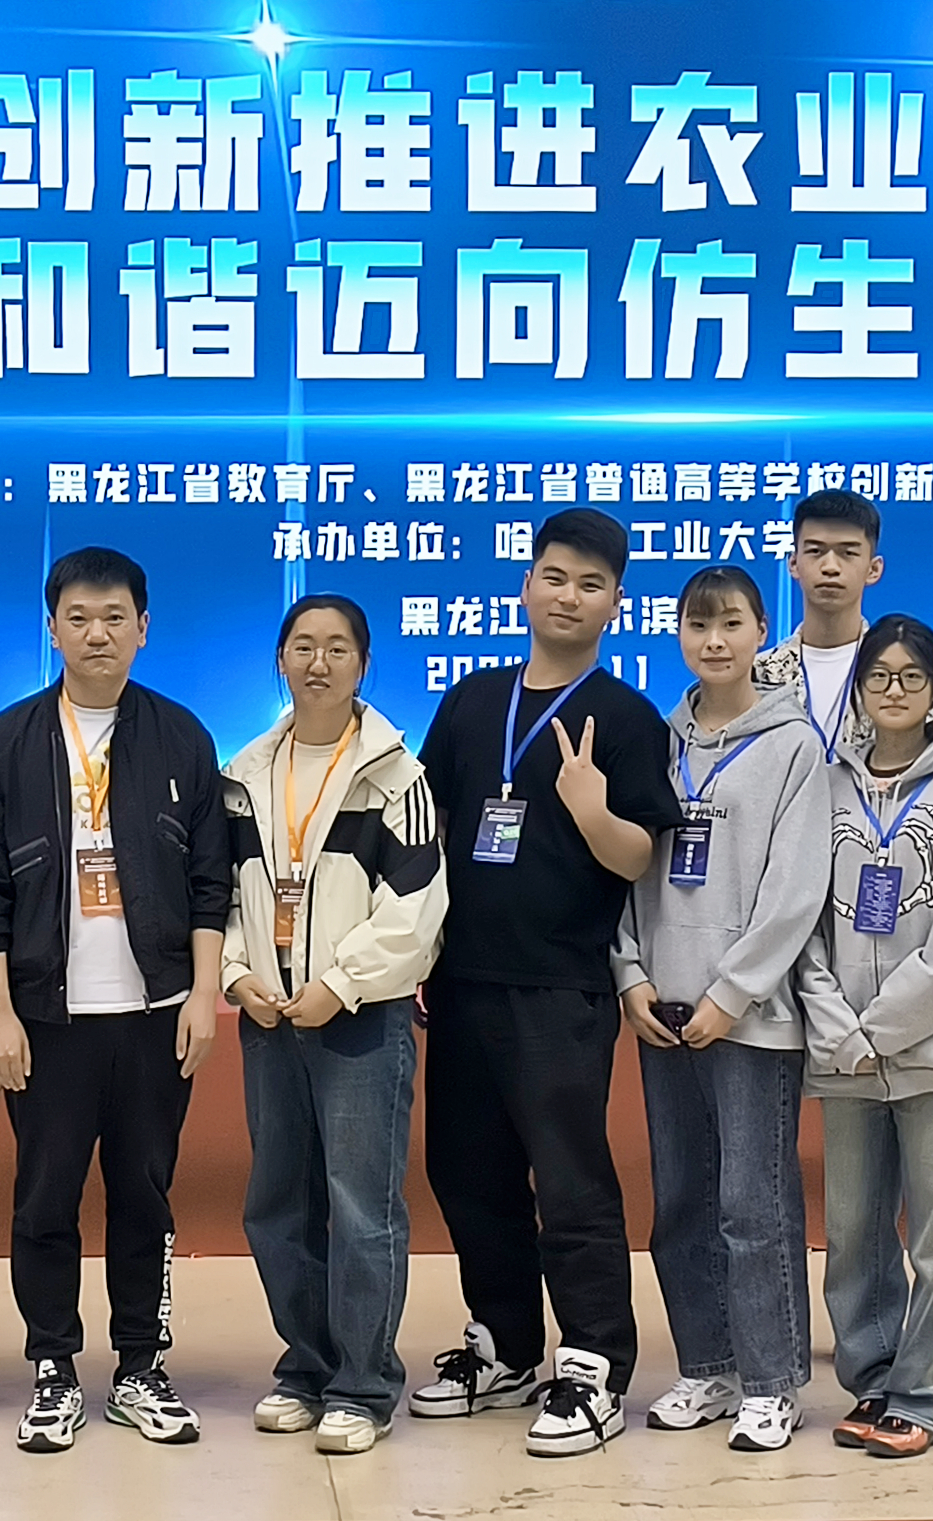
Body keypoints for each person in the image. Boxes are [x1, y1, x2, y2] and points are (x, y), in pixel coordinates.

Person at [408, 508, 682, 1457]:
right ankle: (508, 1345)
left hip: (562, 987)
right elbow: (430, 832)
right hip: (462, 981)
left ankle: (595, 1362)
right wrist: (415, 957)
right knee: (466, 1172)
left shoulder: (628, 718)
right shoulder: (471, 702)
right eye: (555, 577)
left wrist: (591, 810)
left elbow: (641, 856)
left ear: (616, 603)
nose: (569, 596)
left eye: (591, 584)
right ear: (526, 585)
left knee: (570, 1181)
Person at [0, 546, 232, 1453]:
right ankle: (53, 1368)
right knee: (45, 1198)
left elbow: (210, 881)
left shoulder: (182, 737)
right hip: (46, 1017)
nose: (97, 633)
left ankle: (141, 1367)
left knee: (144, 1196)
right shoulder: (4, 744)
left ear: (144, 628)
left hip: (155, 1015)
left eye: (115, 617)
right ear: (52, 629)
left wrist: (202, 996)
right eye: (78, 617)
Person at [219, 595, 448, 1457]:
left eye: (338, 648)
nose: (319, 663)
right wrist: (237, 976)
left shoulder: (397, 777)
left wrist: (340, 985)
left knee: (361, 1208)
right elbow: (221, 895)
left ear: (363, 664)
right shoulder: (243, 775)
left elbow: (417, 911)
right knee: (277, 1203)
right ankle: (305, 1369)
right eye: (304, 646)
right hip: (268, 1018)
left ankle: (363, 1384)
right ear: (281, 659)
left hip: (359, 1021)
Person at [611, 566, 827, 1452]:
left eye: (731, 623)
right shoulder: (656, 743)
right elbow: (628, 872)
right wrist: (630, 975)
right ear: (678, 634)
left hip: (751, 1018)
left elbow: (795, 888)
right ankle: (707, 1365)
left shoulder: (794, 746)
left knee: (753, 1205)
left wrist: (732, 993)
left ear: (761, 632)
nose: (714, 640)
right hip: (663, 1012)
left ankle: (772, 1382)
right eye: (698, 625)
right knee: (682, 1204)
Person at [798, 614, 933, 1461]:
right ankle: (873, 1379)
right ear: (858, 691)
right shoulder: (826, 787)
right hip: (848, 1052)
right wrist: (836, 1024)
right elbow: (801, 918)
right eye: (879, 676)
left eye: (911, 677)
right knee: (853, 1233)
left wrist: (882, 1027)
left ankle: (923, 1396)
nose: (893, 690)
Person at [753, 488, 884, 765]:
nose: (830, 567)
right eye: (815, 551)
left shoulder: (905, 678)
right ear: (793, 563)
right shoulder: (755, 676)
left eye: (848, 553)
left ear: (873, 569)